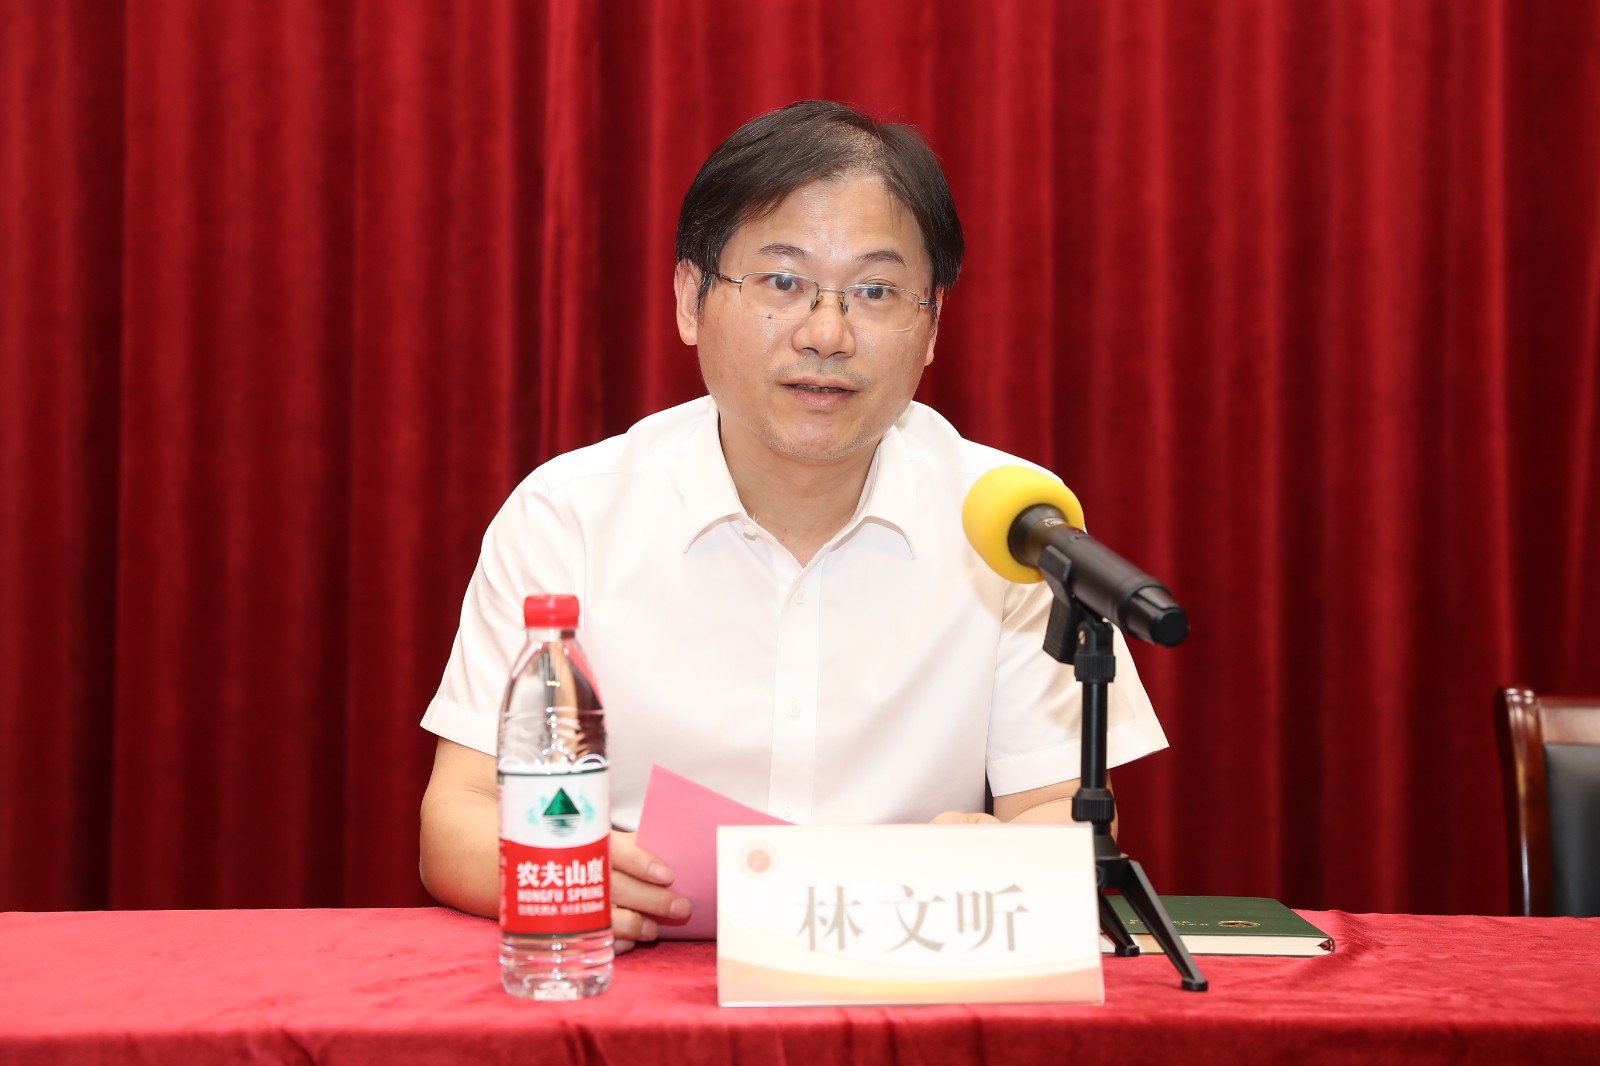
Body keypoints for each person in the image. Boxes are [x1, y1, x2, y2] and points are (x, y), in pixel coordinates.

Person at [418, 100, 1168, 951]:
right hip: (639, 975)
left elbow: (1060, 812)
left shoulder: (1013, 521)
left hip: (907, 974)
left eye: (875, 292)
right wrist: (572, 871)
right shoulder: (569, 513)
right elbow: (461, 812)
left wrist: (1008, 857)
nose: (826, 333)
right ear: (691, 299)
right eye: (782, 282)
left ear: (931, 326)